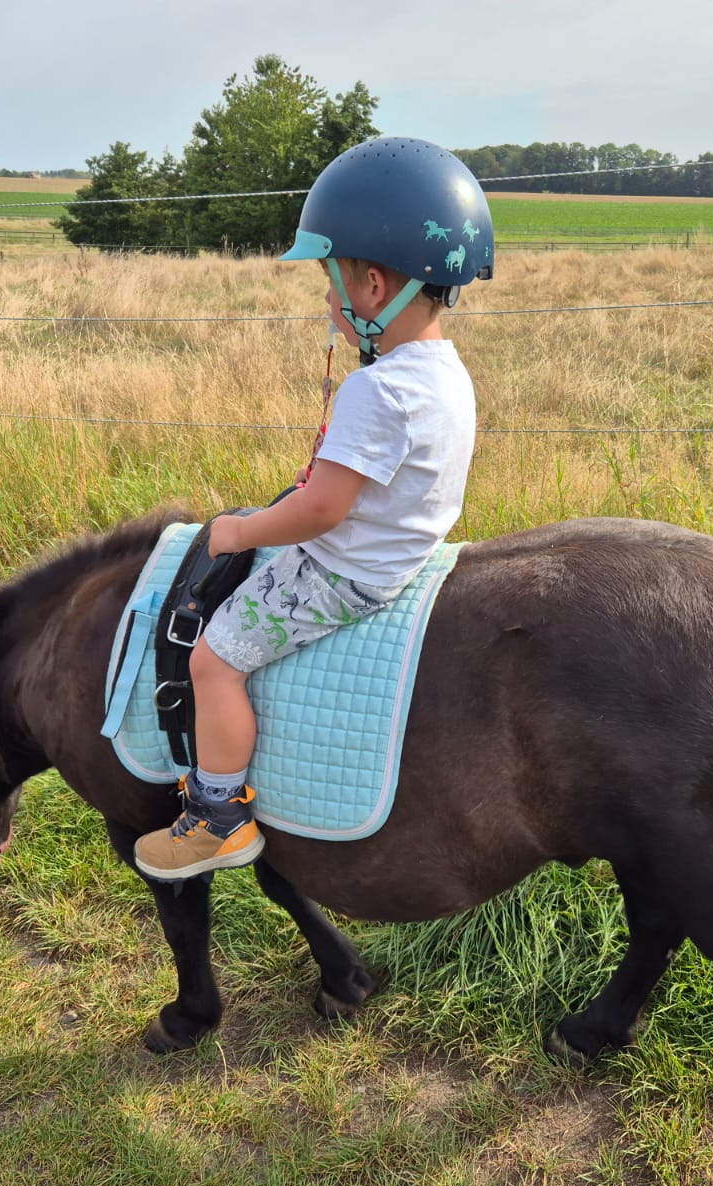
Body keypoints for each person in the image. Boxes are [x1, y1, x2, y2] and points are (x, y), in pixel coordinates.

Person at [133, 136, 495, 881]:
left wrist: (241, 528)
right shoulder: (447, 373)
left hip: (346, 571)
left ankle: (218, 816)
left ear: (370, 285)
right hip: (405, 551)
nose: (327, 300)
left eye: (329, 282)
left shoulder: (377, 388)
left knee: (214, 659)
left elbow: (323, 510)